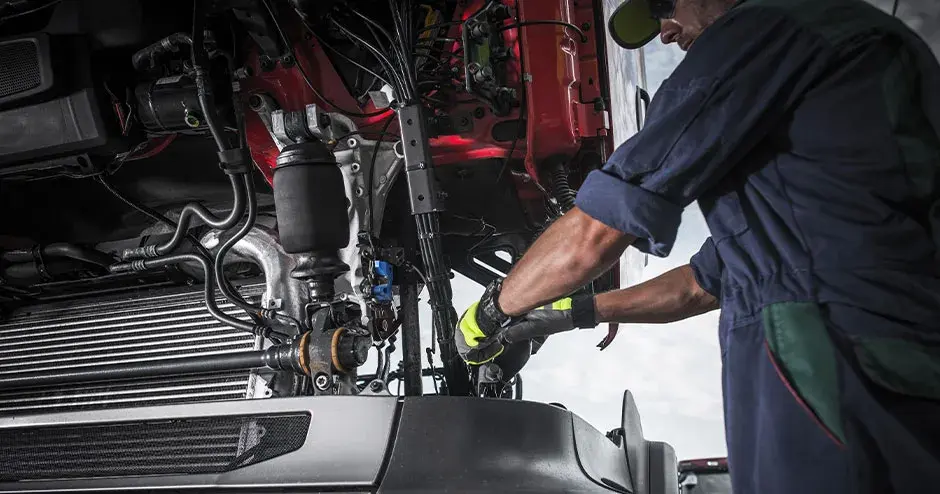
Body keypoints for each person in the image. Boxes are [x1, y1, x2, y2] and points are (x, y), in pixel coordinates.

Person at [454, 0, 940, 492]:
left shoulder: (763, 34)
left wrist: (490, 313)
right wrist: (574, 312)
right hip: (874, 353)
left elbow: (594, 235)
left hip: (836, 363)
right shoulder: (805, 153)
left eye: (665, 8)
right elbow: (700, 284)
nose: (664, 33)